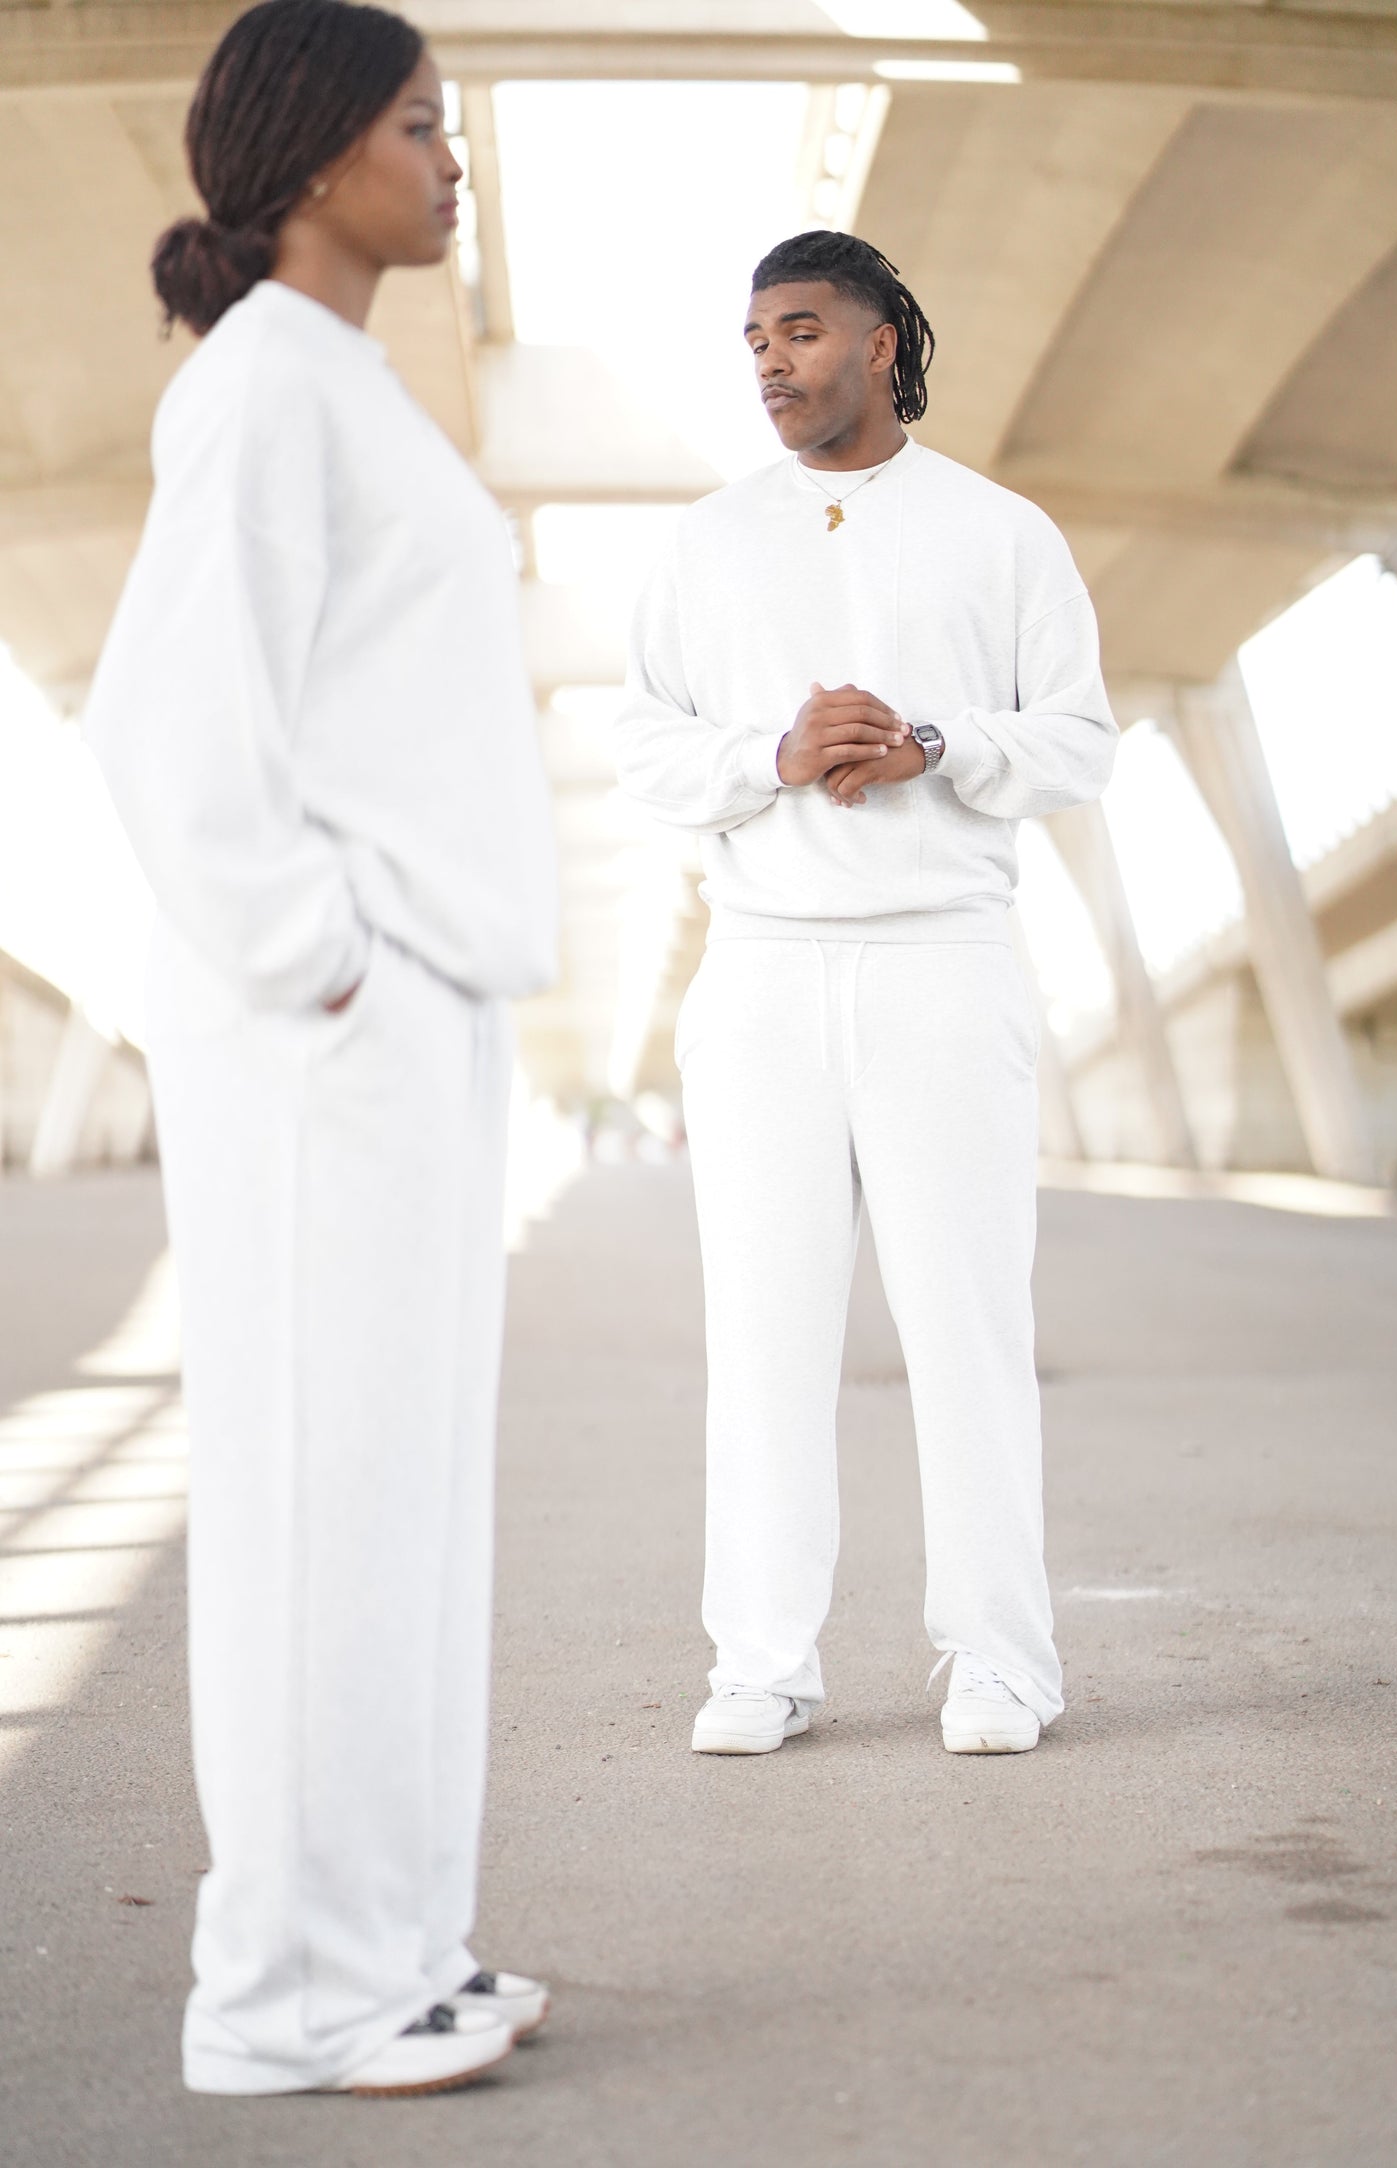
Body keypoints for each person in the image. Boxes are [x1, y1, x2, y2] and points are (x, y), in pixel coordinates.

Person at [86, 0, 557, 2097]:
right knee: (314, 1506)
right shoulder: (268, 382)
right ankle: (279, 1994)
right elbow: (171, 726)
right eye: (419, 124)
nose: (450, 163)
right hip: (330, 1023)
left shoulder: (348, 386)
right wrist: (329, 961)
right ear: (310, 149)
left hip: (415, 1009)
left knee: (402, 1509)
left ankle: (394, 1945)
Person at [614, 229, 1117, 1760]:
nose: (771, 360)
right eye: (755, 338)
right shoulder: (704, 543)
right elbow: (642, 748)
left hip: (941, 970)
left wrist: (936, 747)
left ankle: (998, 1665)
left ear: (885, 339)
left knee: (966, 1331)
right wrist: (775, 751)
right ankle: (762, 1663)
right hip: (760, 974)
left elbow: (1080, 741)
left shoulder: (1002, 531)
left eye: (803, 330)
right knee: (760, 1338)